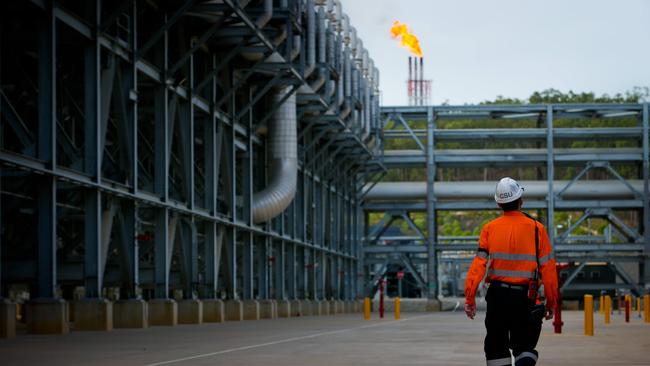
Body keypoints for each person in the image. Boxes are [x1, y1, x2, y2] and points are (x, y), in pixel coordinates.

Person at [464, 177, 558, 366]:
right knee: (525, 345)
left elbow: (478, 265)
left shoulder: (489, 229)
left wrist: (470, 298)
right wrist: (551, 301)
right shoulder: (536, 229)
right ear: (520, 200)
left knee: (496, 346)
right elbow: (548, 268)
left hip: (497, 297)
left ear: (499, 203)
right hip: (526, 297)